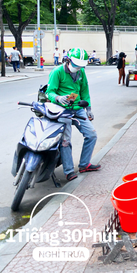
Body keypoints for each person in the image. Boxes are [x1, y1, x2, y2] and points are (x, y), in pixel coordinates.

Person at [46, 48, 100, 181]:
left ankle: (84, 164)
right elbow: (49, 92)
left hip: (78, 109)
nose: (78, 68)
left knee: (91, 134)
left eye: (81, 66)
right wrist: (58, 98)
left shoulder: (81, 72)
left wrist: (88, 109)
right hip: (62, 110)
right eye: (76, 65)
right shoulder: (57, 72)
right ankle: (69, 171)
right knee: (65, 141)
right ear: (68, 60)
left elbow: (85, 91)